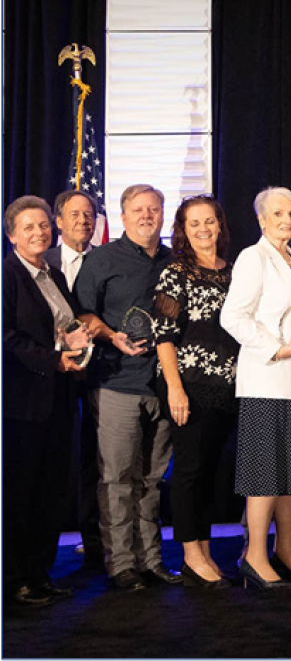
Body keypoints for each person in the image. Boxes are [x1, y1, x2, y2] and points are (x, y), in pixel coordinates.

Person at [73, 184, 178, 590]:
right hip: (116, 383)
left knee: (152, 479)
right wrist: (110, 334)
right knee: (117, 477)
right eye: (139, 210)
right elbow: (82, 312)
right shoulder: (102, 259)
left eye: (153, 209)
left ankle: (151, 560)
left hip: (162, 384)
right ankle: (121, 565)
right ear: (123, 216)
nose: (147, 216)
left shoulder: (174, 261)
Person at [220, 187, 291, 590]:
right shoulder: (253, 257)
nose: (287, 220)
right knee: (264, 472)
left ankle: (284, 549)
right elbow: (233, 316)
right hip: (266, 380)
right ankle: (255, 556)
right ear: (261, 219)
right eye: (277, 214)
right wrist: (274, 349)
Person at [3, 196, 91, 607]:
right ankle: (16, 580)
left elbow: (63, 324)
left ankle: (40, 574)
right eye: (28, 227)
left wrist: (74, 340)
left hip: (58, 400)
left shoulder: (52, 273)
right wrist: (54, 360)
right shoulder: (6, 276)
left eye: (43, 225)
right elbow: (7, 339)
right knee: (20, 495)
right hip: (20, 406)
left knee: (52, 492)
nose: (39, 232)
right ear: (12, 235)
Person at [150, 196, 239, 589]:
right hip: (187, 385)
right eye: (193, 223)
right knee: (188, 470)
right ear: (183, 230)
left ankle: (203, 547)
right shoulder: (175, 271)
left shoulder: (233, 271)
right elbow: (163, 334)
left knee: (209, 471)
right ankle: (190, 555)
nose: (203, 229)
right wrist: (174, 387)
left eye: (209, 221)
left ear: (220, 224)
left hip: (227, 386)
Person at [44, 188, 103, 568]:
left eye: (89, 214)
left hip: (99, 375)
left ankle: (95, 539)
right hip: (51, 377)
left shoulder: (106, 260)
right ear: (58, 221)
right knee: (54, 458)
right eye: (75, 214)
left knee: (96, 460)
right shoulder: (37, 261)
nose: (83, 220)